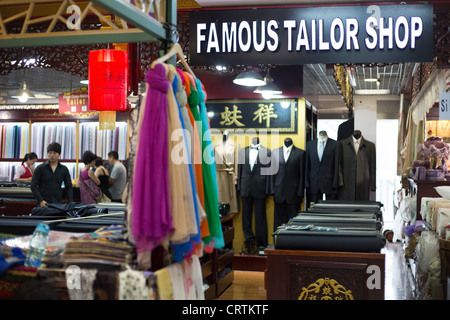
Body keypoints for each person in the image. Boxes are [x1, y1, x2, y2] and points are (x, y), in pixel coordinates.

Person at [31, 142, 73, 207]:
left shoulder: (64, 169)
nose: (52, 155)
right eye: (50, 153)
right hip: (43, 204)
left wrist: (70, 202)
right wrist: (41, 200)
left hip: (58, 203)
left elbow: (69, 187)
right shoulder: (40, 168)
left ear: (59, 154)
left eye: (54, 153)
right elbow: (33, 186)